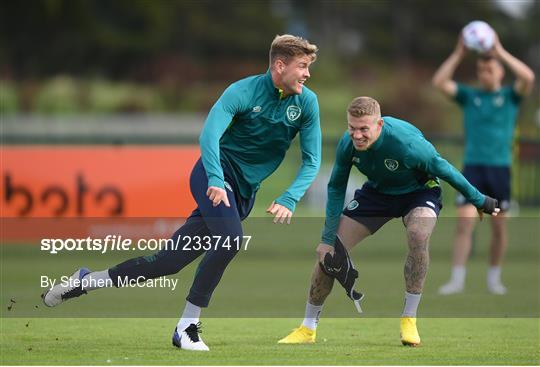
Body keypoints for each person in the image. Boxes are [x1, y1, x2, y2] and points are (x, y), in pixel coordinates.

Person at [42, 34, 322, 351]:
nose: (307, 74)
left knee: (165, 263)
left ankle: (84, 281)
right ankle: (187, 327)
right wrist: (216, 178)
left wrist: (289, 197)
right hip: (211, 176)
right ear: (280, 65)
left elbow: (312, 161)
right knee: (229, 239)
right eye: (302, 66)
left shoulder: (307, 102)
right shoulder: (242, 91)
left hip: (242, 193)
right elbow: (209, 135)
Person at [277, 96, 499, 347]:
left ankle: (409, 319)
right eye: (352, 128)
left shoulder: (407, 144)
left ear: (379, 124)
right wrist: (327, 239)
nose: (357, 135)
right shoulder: (347, 144)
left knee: (418, 234)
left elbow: (444, 169)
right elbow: (336, 187)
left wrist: (479, 199)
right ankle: (308, 328)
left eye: (364, 129)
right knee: (331, 253)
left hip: (419, 191)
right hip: (377, 194)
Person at [432, 32, 535, 295]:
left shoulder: (512, 96)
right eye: (480, 69)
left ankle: (494, 279)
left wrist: (498, 51)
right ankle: (457, 280)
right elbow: (440, 81)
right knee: (464, 224)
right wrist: (458, 53)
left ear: (500, 72)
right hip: (473, 170)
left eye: (489, 69)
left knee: (499, 228)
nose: (484, 73)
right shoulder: (469, 96)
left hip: (500, 170)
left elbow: (528, 78)